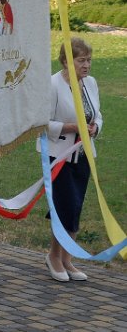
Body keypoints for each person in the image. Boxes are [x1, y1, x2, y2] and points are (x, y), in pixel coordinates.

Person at [41, 38, 101, 282]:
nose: (86, 65)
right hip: (59, 155)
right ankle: (53, 257)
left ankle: (67, 258)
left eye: (89, 60)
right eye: (81, 60)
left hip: (84, 154)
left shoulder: (91, 83)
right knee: (64, 205)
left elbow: (98, 114)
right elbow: (42, 123)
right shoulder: (53, 84)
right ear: (66, 61)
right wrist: (71, 127)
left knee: (76, 205)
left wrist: (95, 127)